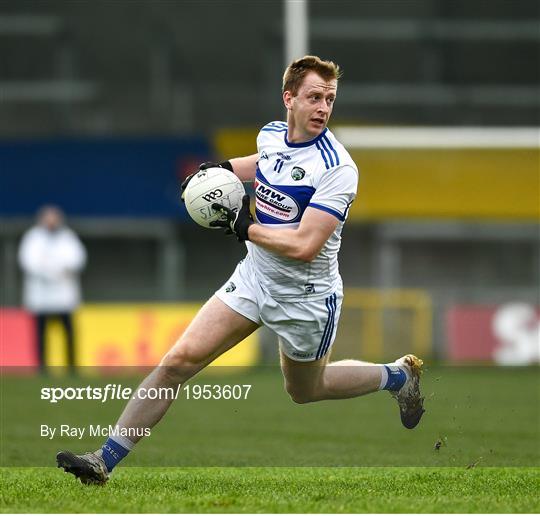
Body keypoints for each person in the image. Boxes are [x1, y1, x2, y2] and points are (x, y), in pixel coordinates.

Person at [57, 56, 425, 485]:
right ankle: (103, 461)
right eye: (313, 97)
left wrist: (244, 226)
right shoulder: (271, 135)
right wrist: (219, 171)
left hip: (306, 297)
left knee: (304, 391)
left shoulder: (338, 169)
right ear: (289, 98)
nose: (323, 107)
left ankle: (397, 375)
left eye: (329, 99)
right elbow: (263, 162)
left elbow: (305, 246)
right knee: (177, 362)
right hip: (255, 277)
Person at [18, 205, 87, 372]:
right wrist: (51, 272)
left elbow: (78, 259)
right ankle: (42, 366)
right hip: (41, 295)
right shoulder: (33, 238)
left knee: (68, 332)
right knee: (41, 333)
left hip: (63, 295)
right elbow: (28, 262)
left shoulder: (67, 237)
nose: (51, 221)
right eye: (48, 218)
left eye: (54, 218)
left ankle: (71, 366)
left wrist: (57, 268)